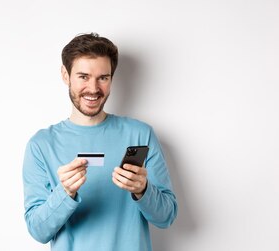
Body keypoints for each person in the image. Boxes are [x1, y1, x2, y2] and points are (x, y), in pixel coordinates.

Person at [22, 33, 177, 251]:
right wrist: (64, 192)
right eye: (83, 76)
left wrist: (143, 190)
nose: (93, 88)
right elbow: (38, 231)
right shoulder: (41, 144)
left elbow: (166, 217)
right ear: (65, 75)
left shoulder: (141, 135)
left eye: (103, 78)